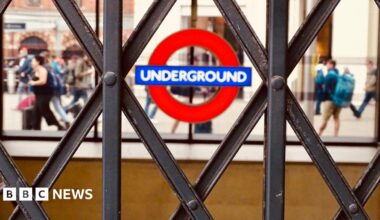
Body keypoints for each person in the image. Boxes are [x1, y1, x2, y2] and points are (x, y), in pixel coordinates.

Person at [29, 55, 65, 130]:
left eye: (33, 61)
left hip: (45, 94)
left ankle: (59, 125)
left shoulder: (42, 69)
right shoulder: (37, 69)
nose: (32, 62)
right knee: (36, 110)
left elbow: (43, 81)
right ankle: (35, 127)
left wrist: (33, 82)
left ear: (38, 62)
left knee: (45, 110)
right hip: (39, 94)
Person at [319, 59, 340, 136]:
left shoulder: (329, 75)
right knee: (336, 118)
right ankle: (336, 135)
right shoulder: (338, 74)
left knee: (325, 119)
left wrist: (323, 99)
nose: (326, 66)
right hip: (338, 100)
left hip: (329, 100)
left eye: (327, 64)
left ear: (331, 65)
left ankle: (319, 134)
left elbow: (325, 88)